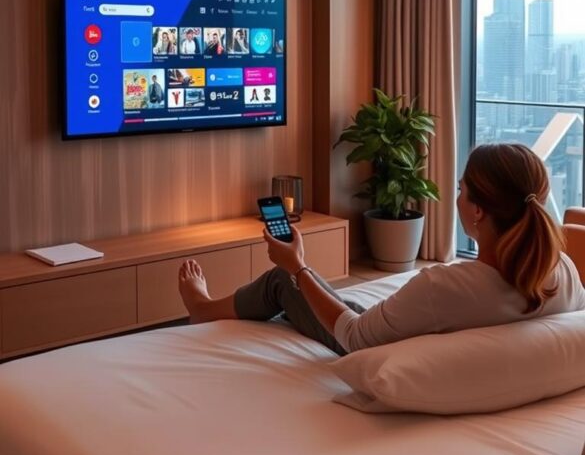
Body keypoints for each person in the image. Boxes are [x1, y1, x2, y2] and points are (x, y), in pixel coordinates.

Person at [177, 143, 585, 356]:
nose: (455, 195)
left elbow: (355, 336)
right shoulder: (561, 270)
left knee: (283, 281)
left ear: (477, 210)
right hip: (400, 325)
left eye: (461, 189)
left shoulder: (444, 286)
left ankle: (203, 309)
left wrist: (298, 266)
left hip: (373, 341)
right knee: (341, 297)